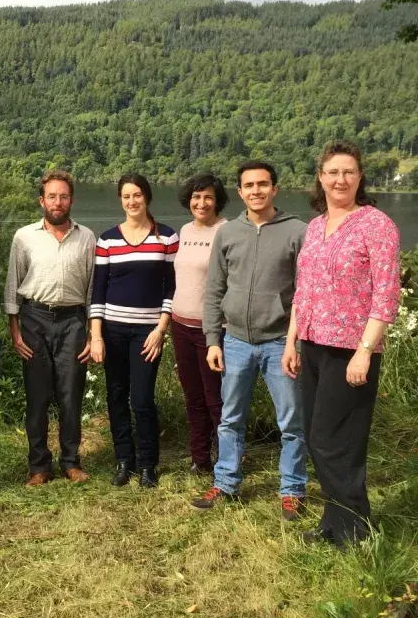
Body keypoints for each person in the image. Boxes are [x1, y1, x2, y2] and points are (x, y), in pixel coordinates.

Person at [284, 141, 400, 548]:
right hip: (313, 345)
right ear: (321, 177)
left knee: (339, 442)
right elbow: (303, 291)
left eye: (348, 171)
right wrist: (291, 342)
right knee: (318, 437)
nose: (340, 179)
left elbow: (386, 295)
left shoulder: (376, 225)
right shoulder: (314, 228)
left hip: (351, 351)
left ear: (360, 177)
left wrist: (365, 352)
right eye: (333, 172)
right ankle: (335, 523)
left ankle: (355, 530)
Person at [193, 160, 308, 520]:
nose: (256, 191)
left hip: (280, 342)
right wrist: (214, 339)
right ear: (240, 192)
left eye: (263, 184)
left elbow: (306, 294)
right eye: (249, 185)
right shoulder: (228, 234)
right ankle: (226, 483)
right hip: (236, 341)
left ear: (275, 188)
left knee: (291, 422)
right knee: (230, 418)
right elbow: (214, 290)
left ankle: (292, 489)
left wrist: (297, 343)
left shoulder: (298, 232)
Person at [5, 169, 96, 486]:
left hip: (73, 321)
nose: (58, 202)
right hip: (34, 320)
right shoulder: (24, 236)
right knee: (38, 397)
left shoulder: (86, 237)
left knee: (71, 395)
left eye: (64, 196)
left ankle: (71, 462)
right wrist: (14, 329)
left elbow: (91, 289)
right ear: (42, 200)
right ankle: (39, 466)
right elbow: (13, 285)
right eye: (52, 196)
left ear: (71, 200)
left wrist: (90, 331)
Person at [90, 174, 178, 488]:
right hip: (112, 330)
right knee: (116, 395)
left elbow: (172, 289)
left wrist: (161, 330)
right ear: (120, 200)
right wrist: (96, 335)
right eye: (126, 196)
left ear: (147, 197)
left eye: (137, 195)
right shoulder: (107, 240)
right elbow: (97, 291)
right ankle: (123, 461)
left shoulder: (166, 237)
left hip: (147, 333)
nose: (132, 201)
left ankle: (147, 464)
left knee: (142, 400)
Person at [171, 173, 228, 474]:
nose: (201, 202)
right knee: (192, 396)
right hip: (180, 325)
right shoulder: (184, 229)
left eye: (208, 196)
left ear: (217, 199)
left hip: (212, 330)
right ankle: (200, 457)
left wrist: (218, 328)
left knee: (215, 398)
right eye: (196, 196)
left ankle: (226, 459)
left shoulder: (227, 230)